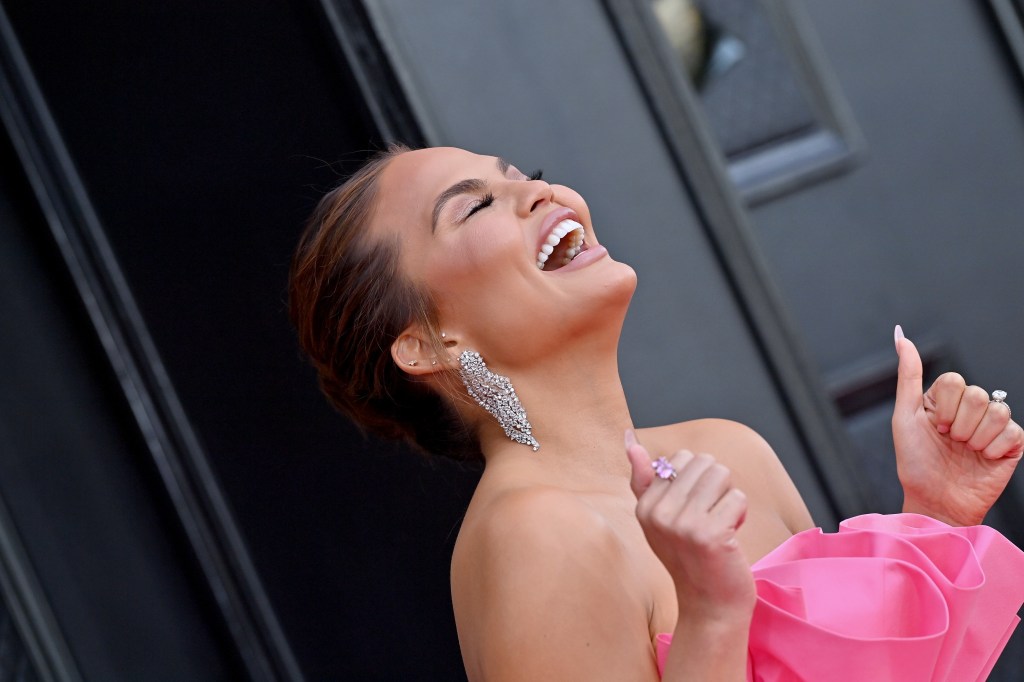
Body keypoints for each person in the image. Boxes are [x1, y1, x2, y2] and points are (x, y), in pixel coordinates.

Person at [288, 145, 1024, 681]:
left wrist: (938, 517)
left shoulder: (730, 450)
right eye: (477, 205)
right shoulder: (533, 536)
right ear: (428, 344)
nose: (539, 194)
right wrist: (709, 615)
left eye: (525, 175)